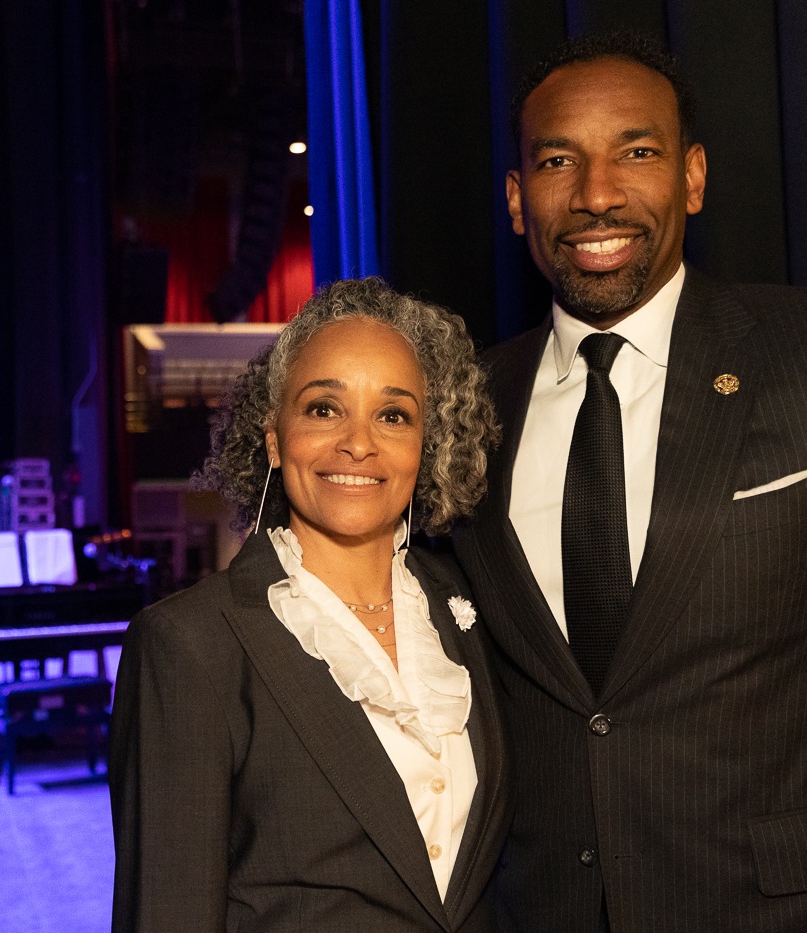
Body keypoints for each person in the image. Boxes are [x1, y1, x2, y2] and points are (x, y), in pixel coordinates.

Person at [451, 32, 807, 932]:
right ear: (517, 199)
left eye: (637, 151)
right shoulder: (464, 405)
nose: (596, 193)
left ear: (693, 178)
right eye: (558, 160)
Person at [110, 277, 509, 932]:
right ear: (273, 438)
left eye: (393, 414)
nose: (359, 441)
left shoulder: (463, 610)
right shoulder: (189, 644)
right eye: (324, 408)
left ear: (423, 445)